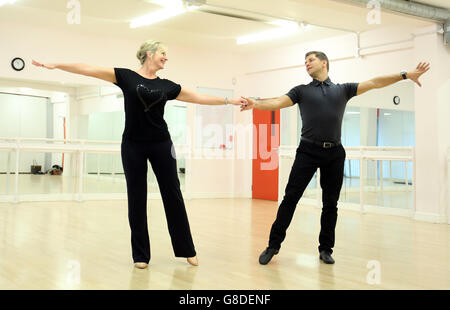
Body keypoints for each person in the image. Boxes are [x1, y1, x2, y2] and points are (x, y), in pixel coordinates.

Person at [33, 40, 247, 269]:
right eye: (163, 53)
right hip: (133, 145)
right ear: (149, 54)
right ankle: (141, 255)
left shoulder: (167, 86)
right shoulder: (126, 77)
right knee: (137, 197)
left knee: (173, 195)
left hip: (162, 144)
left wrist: (229, 100)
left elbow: (197, 97)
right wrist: (55, 64)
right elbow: (88, 68)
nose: (166, 57)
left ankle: (187, 249)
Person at [241, 51, 430, 265]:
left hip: (335, 153)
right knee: (290, 198)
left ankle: (325, 249)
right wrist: (255, 103)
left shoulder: (343, 90)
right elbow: (277, 102)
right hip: (307, 151)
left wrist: (405, 75)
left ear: (324, 63)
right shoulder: (301, 91)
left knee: (330, 203)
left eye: (310, 60)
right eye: (305, 62)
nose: (307, 64)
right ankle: (273, 246)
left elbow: (375, 82)